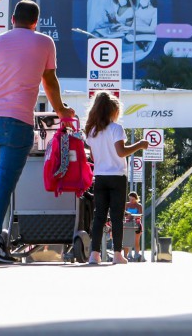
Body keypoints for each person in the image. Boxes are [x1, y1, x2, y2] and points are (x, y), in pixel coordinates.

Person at [0, 0, 76, 264]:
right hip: (17, 120)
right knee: (3, 182)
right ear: (35, 22)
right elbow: (49, 81)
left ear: (12, 19)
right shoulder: (44, 42)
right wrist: (61, 110)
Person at [82, 91, 149, 265]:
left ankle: (94, 254)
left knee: (99, 216)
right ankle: (118, 254)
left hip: (100, 176)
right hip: (117, 176)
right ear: (113, 111)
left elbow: (95, 158)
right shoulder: (115, 128)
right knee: (117, 216)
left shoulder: (92, 131)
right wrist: (140, 145)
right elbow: (122, 152)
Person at [122, 191, 143, 259]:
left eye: (133, 199)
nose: (131, 201)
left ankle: (136, 254)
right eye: (130, 199)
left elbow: (140, 215)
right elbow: (124, 214)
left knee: (136, 241)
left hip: (136, 224)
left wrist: (131, 216)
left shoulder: (139, 205)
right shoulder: (126, 205)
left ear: (136, 199)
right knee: (127, 241)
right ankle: (125, 255)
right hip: (127, 224)